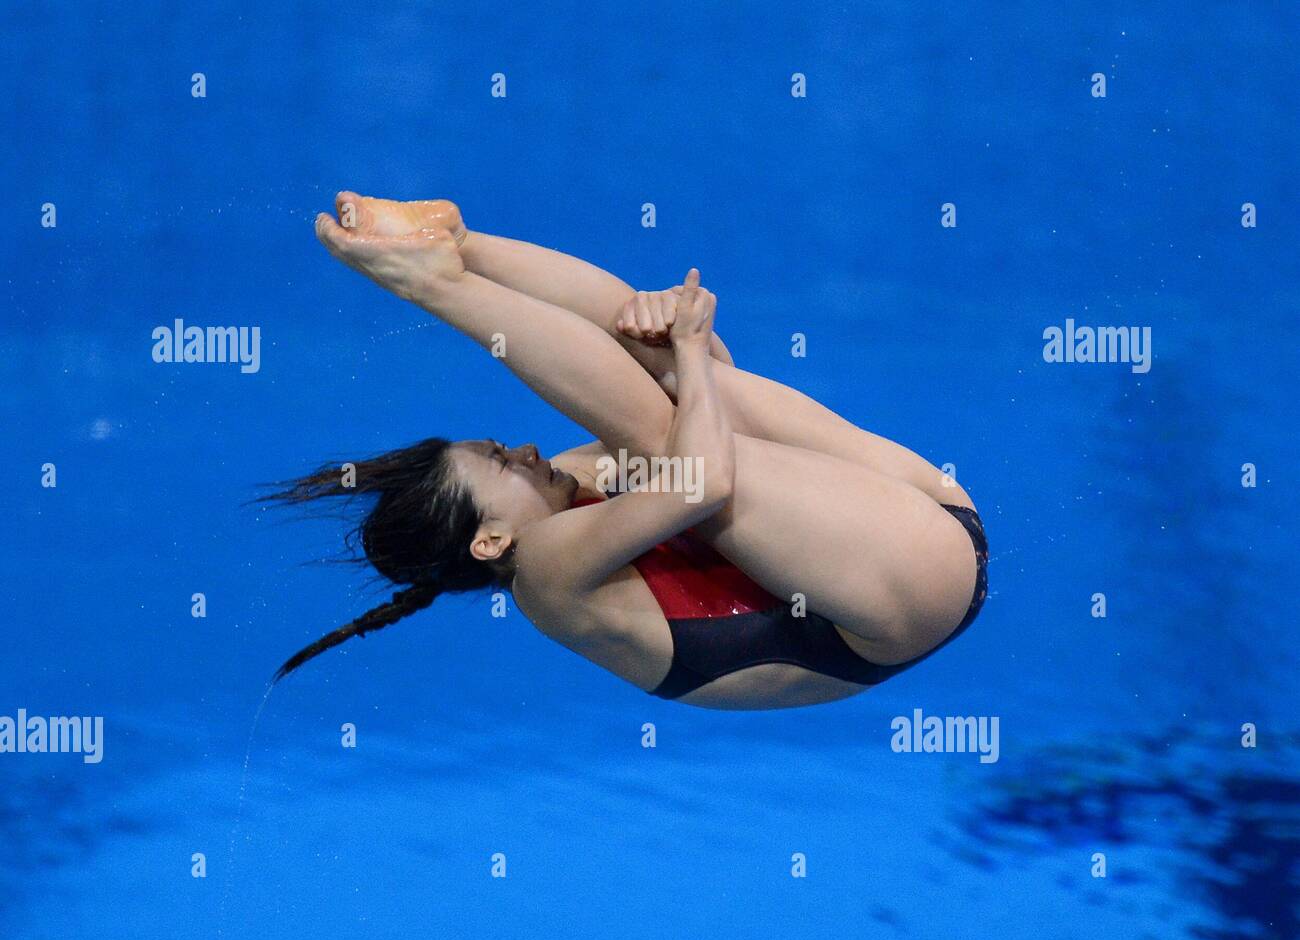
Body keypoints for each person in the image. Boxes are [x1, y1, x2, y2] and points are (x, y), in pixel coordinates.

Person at [267, 193, 987, 711]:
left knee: (660, 385)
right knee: (662, 428)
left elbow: (716, 420)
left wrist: (669, 334)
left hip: (925, 512)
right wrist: (692, 351)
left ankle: (459, 244)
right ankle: (435, 285)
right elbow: (701, 481)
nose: (523, 450)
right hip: (906, 599)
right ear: (490, 541)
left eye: (501, 446)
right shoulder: (545, 576)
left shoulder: (577, 482)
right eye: (502, 465)